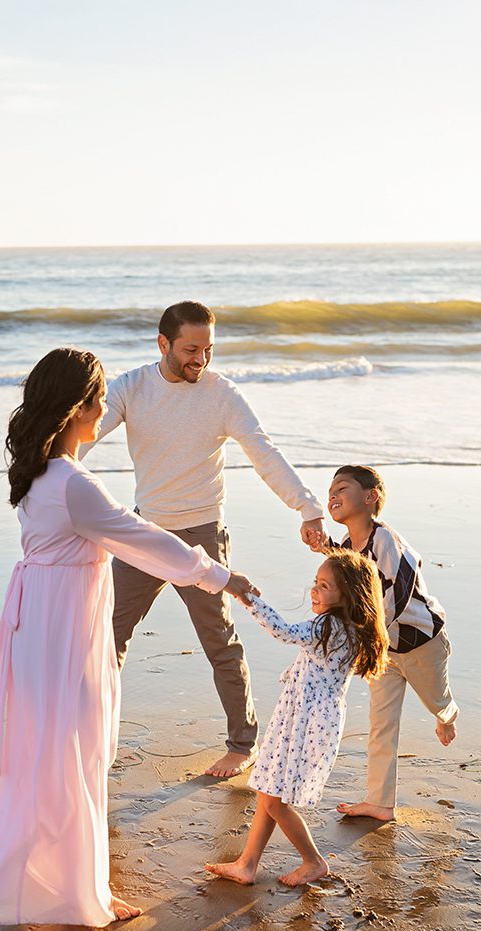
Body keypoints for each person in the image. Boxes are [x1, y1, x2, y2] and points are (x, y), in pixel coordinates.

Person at [0, 347, 257, 928]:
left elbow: (130, 537)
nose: (103, 408)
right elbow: (144, 538)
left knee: (58, 751)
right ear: (74, 408)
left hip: (41, 623)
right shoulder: (73, 482)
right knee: (79, 749)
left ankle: (69, 882)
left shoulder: (40, 473)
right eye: (96, 399)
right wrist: (219, 573)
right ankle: (80, 893)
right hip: (64, 630)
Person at [80, 300, 324, 778]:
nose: (202, 359)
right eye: (191, 349)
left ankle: (242, 743)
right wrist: (42, 475)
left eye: (209, 349)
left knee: (219, 641)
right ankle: (87, 737)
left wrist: (308, 507)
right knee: (106, 637)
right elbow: (81, 439)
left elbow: (263, 451)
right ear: (163, 343)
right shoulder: (130, 388)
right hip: (144, 532)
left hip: (201, 537)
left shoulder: (221, 394)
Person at [205, 550, 388, 887]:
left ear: (347, 595)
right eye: (315, 583)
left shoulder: (329, 627)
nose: (314, 591)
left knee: (274, 800)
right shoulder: (345, 628)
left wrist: (246, 598)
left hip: (304, 724)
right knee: (268, 792)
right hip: (306, 720)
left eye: (323, 586)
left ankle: (313, 861)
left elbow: (283, 631)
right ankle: (247, 863)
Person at [312, 464, 460, 822]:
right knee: (381, 725)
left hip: (421, 643)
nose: (333, 495)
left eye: (341, 488)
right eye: (330, 490)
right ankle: (379, 802)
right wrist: (326, 548)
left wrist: (368, 634)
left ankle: (448, 715)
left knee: (436, 700)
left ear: (370, 497)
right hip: (383, 653)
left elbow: (400, 588)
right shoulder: (349, 546)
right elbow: (351, 575)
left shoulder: (386, 539)